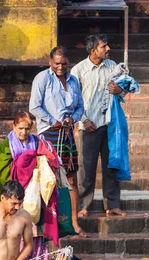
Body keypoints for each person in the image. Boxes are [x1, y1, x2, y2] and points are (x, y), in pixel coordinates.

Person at [0, 111, 59, 260]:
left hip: (35, 194)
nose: (23, 132)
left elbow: (49, 157)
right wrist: (24, 166)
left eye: (27, 129)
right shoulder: (6, 145)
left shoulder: (36, 141)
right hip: (15, 197)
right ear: (14, 126)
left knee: (36, 232)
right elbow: (3, 171)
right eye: (20, 128)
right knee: (17, 232)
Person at [29, 46, 86, 236]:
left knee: (71, 179)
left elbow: (80, 108)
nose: (60, 67)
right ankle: (46, 225)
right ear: (50, 62)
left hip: (68, 134)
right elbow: (34, 107)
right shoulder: (42, 78)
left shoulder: (73, 80)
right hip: (49, 134)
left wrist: (73, 118)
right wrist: (55, 121)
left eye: (63, 63)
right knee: (48, 180)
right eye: (56, 63)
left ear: (68, 63)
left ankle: (75, 223)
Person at [71, 33, 127, 218]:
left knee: (111, 166)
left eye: (107, 45)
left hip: (110, 124)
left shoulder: (113, 67)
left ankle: (112, 204)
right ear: (93, 50)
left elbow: (125, 87)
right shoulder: (78, 70)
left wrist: (119, 90)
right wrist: (83, 120)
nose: (108, 49)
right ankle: (83, 205)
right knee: (86, 168)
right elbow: (73, 100)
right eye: (104, 46)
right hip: (88, 125)